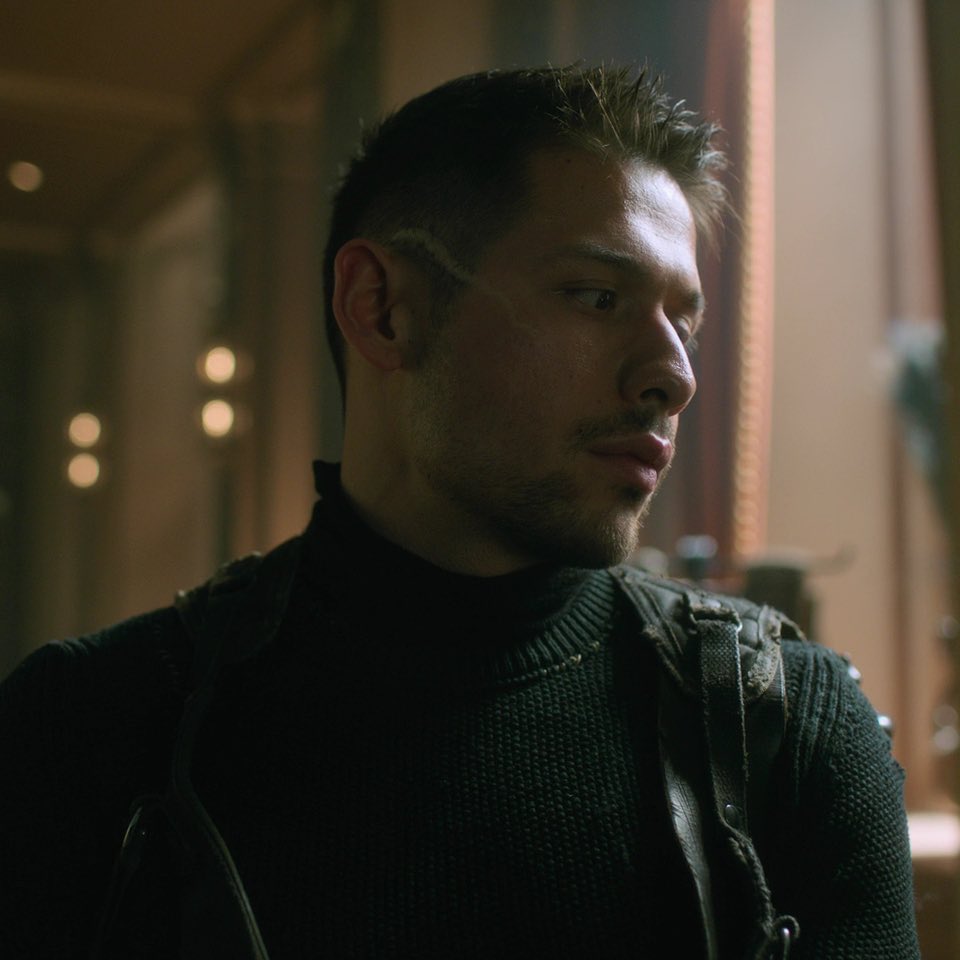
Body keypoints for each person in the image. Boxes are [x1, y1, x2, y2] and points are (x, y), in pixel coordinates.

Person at [0, 65, 919, 959]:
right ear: (383, 309)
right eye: (597, 297)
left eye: (685, 322)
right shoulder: (90, 732)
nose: (672, 377)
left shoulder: (781, 731)